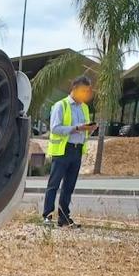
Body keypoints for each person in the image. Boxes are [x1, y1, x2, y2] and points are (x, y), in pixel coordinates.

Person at [41, 75, 96, 227]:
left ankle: (64, 218)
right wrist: (76, 128)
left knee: (69, 186)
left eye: (87, 91)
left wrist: (90, 129)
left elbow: (84, 132)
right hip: (62, 150)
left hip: (77, 151)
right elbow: (55, 128)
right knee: (54, 184)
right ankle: (47, 215)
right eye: (84, 91)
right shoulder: (61, 105)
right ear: (75, 89)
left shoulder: (84, 107)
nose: (86, 94)